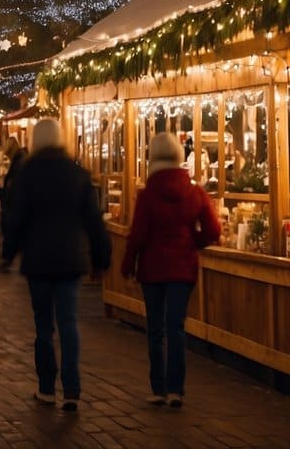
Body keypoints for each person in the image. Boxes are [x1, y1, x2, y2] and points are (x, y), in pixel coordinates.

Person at [2, 118, 111, 409]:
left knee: (43, 326)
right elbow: (93, 222)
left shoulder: (27, 175)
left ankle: (47, 387)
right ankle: (72, 389)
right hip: (70, 259)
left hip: (38, 260)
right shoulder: (78, 175)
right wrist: (101, 258)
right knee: (68, 322)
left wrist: (7, 254)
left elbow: (16, 220)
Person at [120, 132, 221, 409]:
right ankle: (177, 389)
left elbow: (137, 235)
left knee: (155, 329)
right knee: (176, 327)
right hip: (183, 269)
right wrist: (193, 241)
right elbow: (213, 230)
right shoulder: (195, 192)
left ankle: (158, 388)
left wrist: (128, 265)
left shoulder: (148, 195)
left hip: (152, 270)